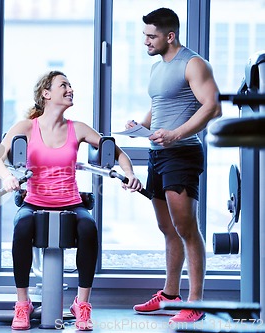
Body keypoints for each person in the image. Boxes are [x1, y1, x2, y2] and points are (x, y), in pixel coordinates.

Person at [0, 70, 143, 330]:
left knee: (88, 227)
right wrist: (7, 177)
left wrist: (129, 173)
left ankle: (82, 304)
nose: (70, 89)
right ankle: (22, 303)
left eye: (71, 85)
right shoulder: (27, 127)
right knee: (22, 227)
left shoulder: (78, 128)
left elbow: (117, 152)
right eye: (64, 85)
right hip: (35, 200)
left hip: (71, 202)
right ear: (46, 94)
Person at [127, 8, 222, 324]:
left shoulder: (193, 64)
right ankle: (170, 295)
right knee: (167, 228)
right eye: (144, 36)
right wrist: (139, 125)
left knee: (186, 229)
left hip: (182, 154)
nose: (146, 42)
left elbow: (213, 107)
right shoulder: (158, 68)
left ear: (170, 36)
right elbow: (160, 107)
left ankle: (195, 303)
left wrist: (176, 133)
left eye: (151, 36)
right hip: (158, 153)